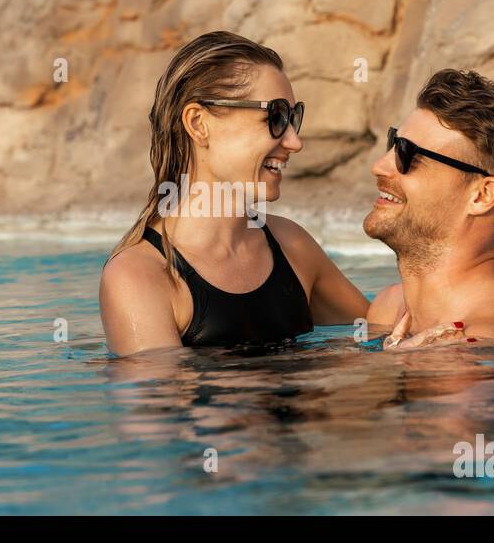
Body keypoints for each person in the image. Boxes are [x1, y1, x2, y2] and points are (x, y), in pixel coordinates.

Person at [100, 31, 369, 357]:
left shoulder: (292, 246)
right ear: (198, 124)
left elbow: (379, 331)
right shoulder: (140, 277)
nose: (294, 142)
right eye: (275, 117)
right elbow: (161, 405)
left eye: (293, 118)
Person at [364, 69, 494, 346]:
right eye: (393, 143)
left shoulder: (483, 341)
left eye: (408, 154)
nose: (379, 166)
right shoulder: (388, 306)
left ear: (482, 196)